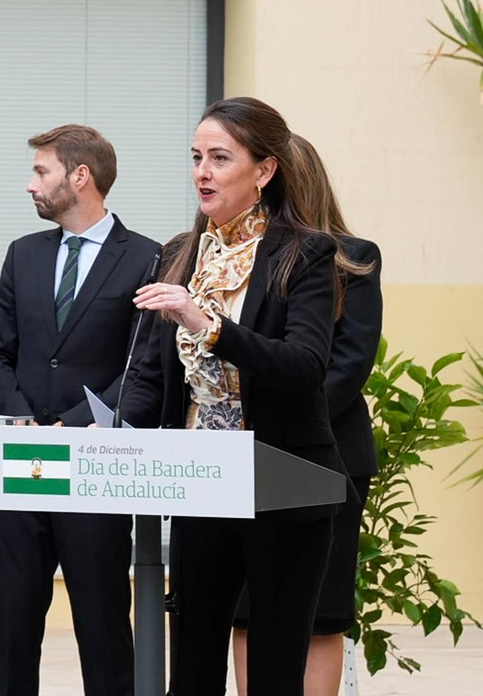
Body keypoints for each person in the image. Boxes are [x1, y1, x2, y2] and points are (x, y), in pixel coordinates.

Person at [117, 98, 348, 696]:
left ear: (264, 171)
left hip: (283, 482)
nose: (203, 172)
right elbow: (150, 375)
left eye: (220, 158)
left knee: (272, 671)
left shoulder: (306, 252)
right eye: (196, 158)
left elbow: (303, 367)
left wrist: (209, 324)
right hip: (200, 478)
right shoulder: (182, 251)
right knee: (191, 665)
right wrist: (113, 431)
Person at [0, 125, 163, 696]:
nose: (30, 184)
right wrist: (22, 416)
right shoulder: (23, 254)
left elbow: (142, 369)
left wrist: (74, 426)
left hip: (97, 467)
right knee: (11, 628)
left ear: (80, 177)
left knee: (104, 625)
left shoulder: (149, 258)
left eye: (41, 172)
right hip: (22, 464)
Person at [232, 135, 381, 696]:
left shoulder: (353, 257)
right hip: (243, 459)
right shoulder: (237, 254)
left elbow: (347, 367)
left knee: (321, 612)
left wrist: (278, 422)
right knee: (245, 608)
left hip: (325, 457)